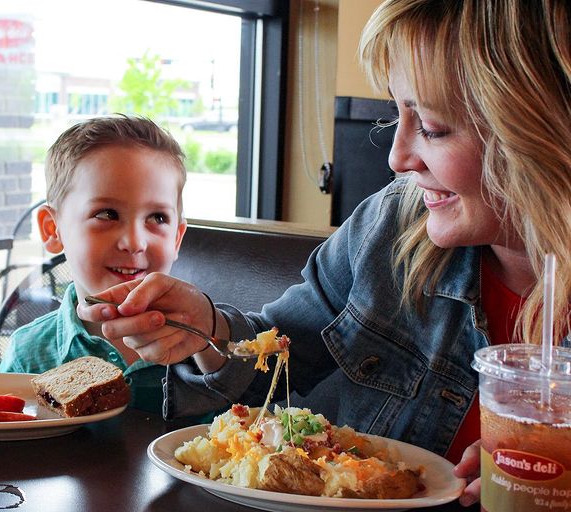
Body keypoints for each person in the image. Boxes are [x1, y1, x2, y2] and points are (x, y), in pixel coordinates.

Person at [77, 0, 571, 506]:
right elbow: (277, 362)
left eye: (431, 126)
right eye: (397, 113)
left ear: (539, 126)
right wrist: (206, 328)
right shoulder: (390, 226)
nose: (397, 157)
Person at [0, 115, 188, 413]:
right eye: (107, 214)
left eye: (157, 217)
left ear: (176, 238)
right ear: (53, 229)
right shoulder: (27, 355)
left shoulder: (205, 351)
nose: (134, 242)